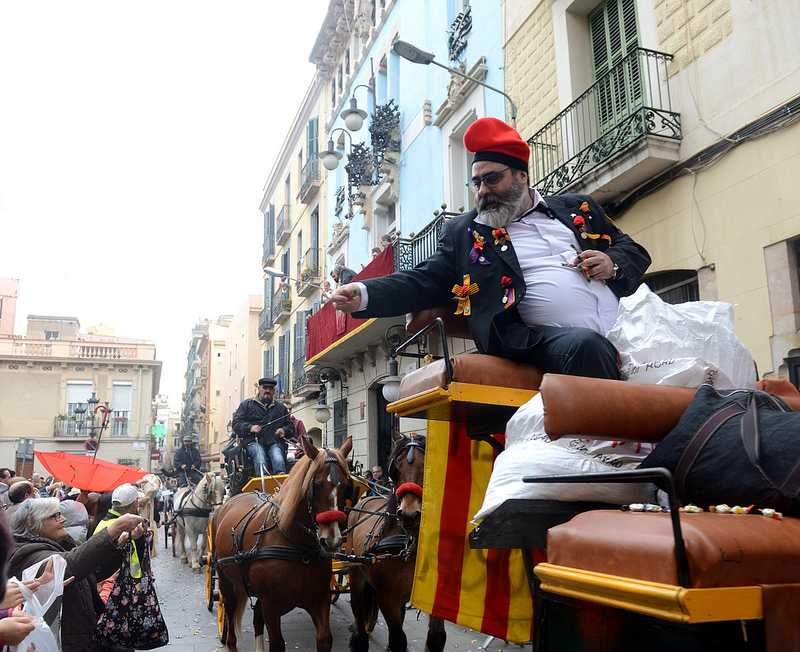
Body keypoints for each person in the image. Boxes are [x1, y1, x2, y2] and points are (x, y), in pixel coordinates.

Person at [332, 117, 651, 380]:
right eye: (477, 182)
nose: (483, 191)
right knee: (587, 346)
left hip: (624, 331)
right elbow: (423, 281)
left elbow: (632, 249)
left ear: (522, 176)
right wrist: (363, 293)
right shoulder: (466, 232)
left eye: (492, 179)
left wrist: (612, 263)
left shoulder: (578, 208)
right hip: (537, 343)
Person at [7, 497, 144, 651]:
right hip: (68, 640)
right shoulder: (28, 554)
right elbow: (71, 565)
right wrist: (114, 528)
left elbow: (92, 571)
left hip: (81, 634)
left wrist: (120, 543)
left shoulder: (59, 544)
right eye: (55, 516)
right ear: (33, 527)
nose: (63, 519)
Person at [231, 378, 294, 476]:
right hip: (252, 442)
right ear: (259, 389)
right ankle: (263, 481)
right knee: (260, 455)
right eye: (265, 388)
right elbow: (236, 424)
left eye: (270, 388)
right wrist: (250, 428)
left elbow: (290, 427)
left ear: (274, 391)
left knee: (278, 457)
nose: (267, 390)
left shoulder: (281, 408)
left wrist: (284, 430)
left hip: (274, 442)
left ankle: (281, 482)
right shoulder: (246, 405)